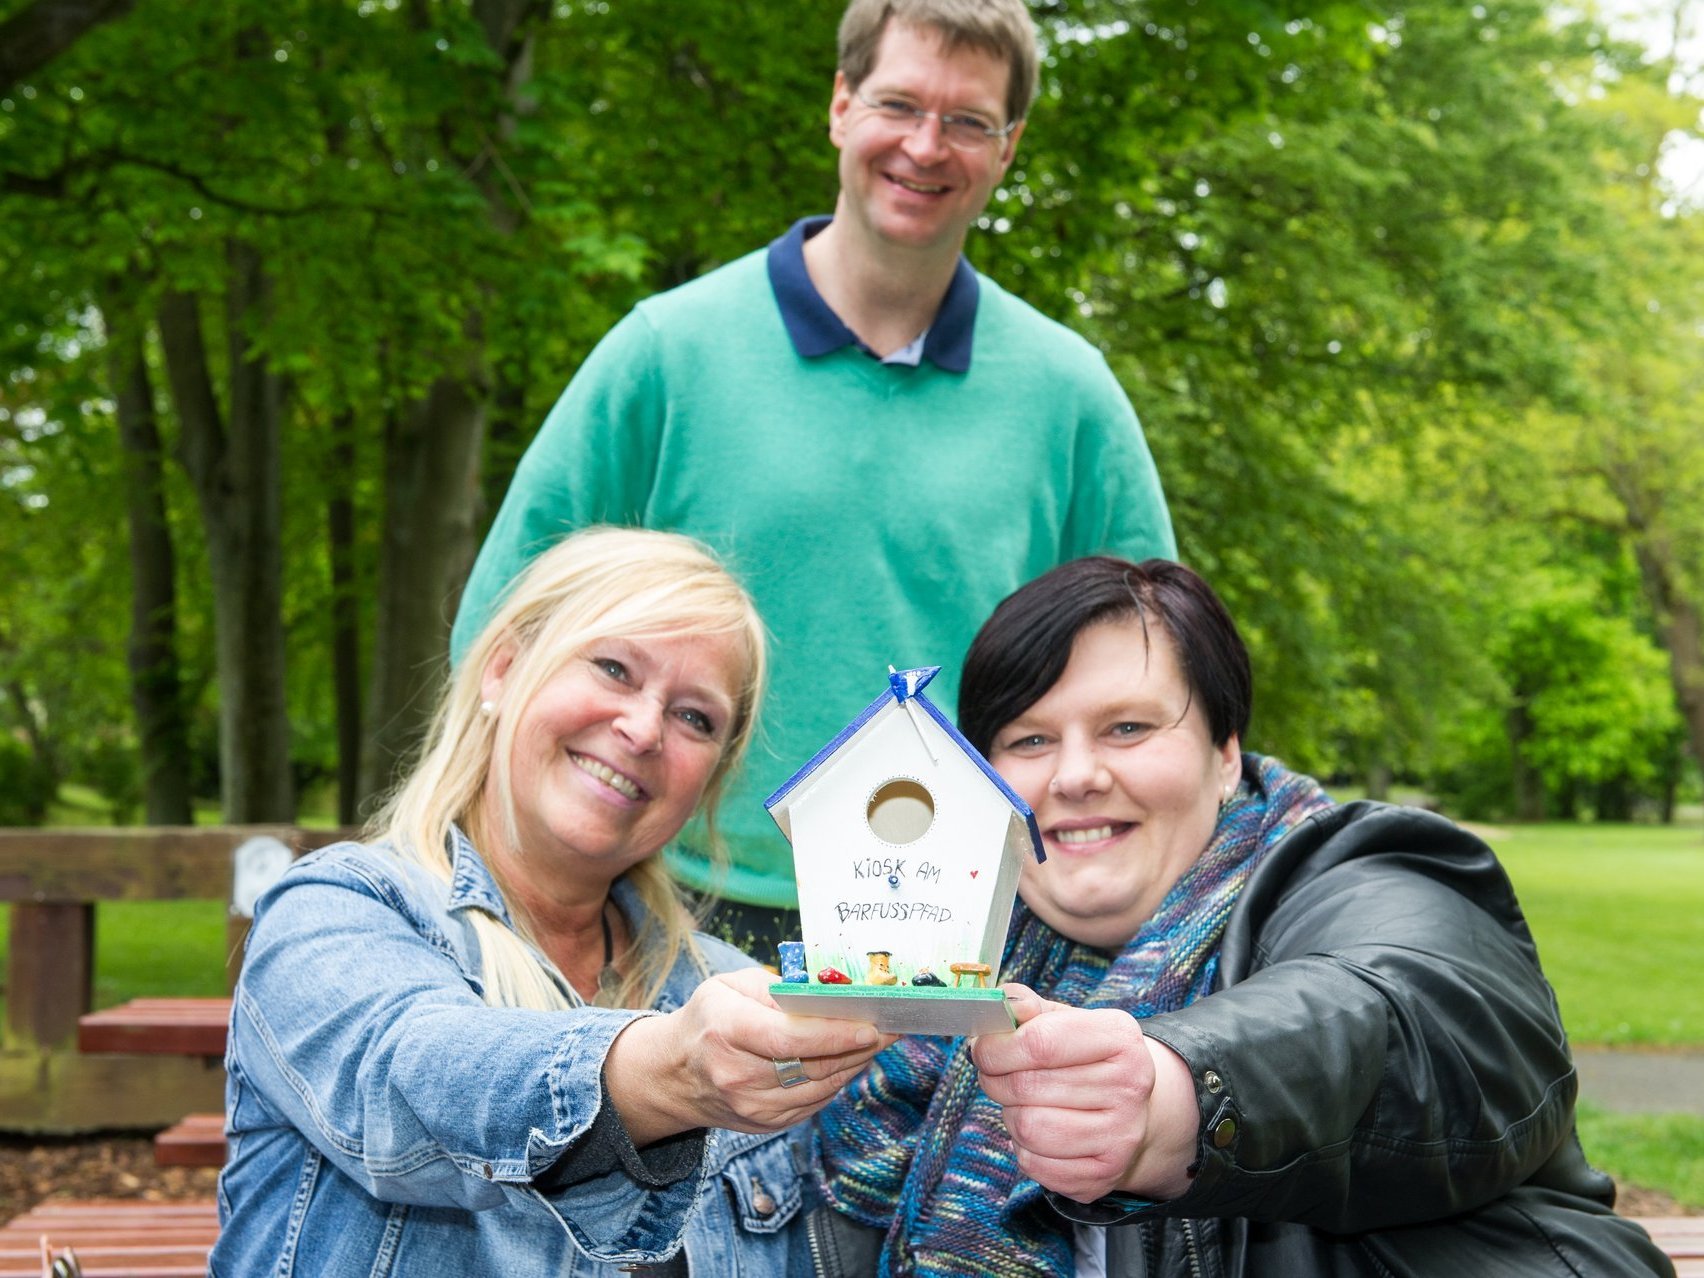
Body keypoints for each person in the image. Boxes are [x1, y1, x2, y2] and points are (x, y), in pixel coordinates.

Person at [450, 0, 1176, 955]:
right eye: (898, 104)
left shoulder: (1070, 395)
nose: (926, 145)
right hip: (667, 906)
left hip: (970, 923)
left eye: (968, 121)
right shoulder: (666, 355)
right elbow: (502, 629)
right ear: (841, 105)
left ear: (1008, 148)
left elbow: (1158, 675)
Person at [811, 556, 1674, 1276]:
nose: (1073, 775)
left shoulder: (1358, 872)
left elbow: (1410, 1015)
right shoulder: (936, 969)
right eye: (1029, 741)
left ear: (1226, 756)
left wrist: (1177, 1096)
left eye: (1126, 728)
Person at [212, 527, 889, 1276]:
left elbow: (886, 1211)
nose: (641, 730)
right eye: (613, 669)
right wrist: (663, 1072)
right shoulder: (338, 910)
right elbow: (411, 1078)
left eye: (695, 718)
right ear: (502, 669)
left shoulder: (730, 993)